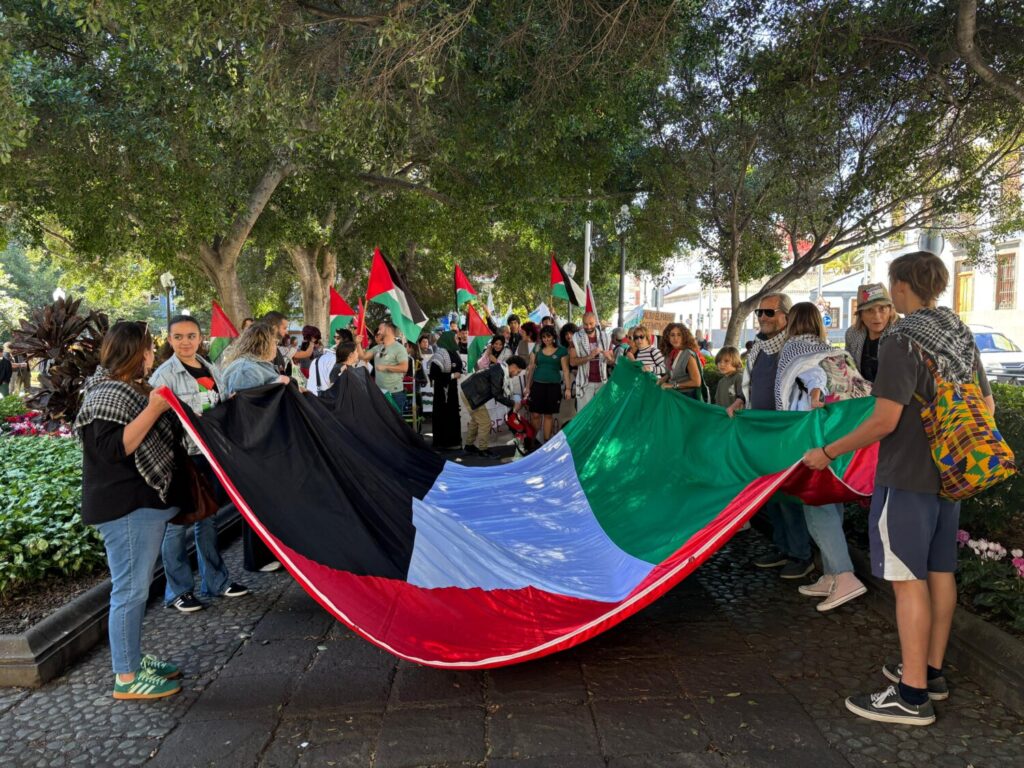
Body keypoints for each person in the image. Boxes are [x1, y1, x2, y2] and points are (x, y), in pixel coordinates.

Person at [803, 251, 995, 725]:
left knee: (907, 582)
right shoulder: (958, 335)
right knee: (939, 572)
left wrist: (827, 453)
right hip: (948, 477)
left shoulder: (902, 340)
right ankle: (930, 673)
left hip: (906, 476)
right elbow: (987, 407)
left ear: (902, 287)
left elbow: (883, 420)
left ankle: (911, 697)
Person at [74, 321, 190, 699]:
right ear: (137, 353)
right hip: (126, 509)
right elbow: (113, 450)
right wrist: (155, 408)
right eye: (150, 349)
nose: (153, 356)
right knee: (130, 591)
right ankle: (126, 677)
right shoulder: (106, 395)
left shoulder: (126, 389)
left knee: (136, 590)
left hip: (140, 507)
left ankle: (133, 660)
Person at [149, 316, 248, 613]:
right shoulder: (163, 376)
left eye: (191, 336)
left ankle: (216, 582)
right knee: (177, 526)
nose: (185, 342)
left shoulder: (209, 367)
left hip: (209, 455)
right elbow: (155, 420)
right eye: (178, 337)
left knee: (208, 519)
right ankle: (178, 591)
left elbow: (217, 404)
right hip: (180, 458)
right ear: (169, 340)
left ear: (200, 337)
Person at [775, 303, 867, 612]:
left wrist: (815, 392)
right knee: (830, 501)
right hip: (836, 433)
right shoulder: (830, 348)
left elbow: (811, 376)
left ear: (792, 322)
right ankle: (830, 573)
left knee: (816, 503)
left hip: (809, 435)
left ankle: (843, 575)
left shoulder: (794, 347)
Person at [726, 293, 813, 579]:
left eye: (769, 312)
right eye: (759, 313)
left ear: (785, 317)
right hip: (759, 434)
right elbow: (751, 386)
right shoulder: (757, 349)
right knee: (770, 496)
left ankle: (801, 555)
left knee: (788, 498)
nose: (762, 317)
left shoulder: (795, 347)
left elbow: (813, 382)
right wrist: (739, 399)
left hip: (786, 434)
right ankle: (783, 547)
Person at [460, 355, 528, 458]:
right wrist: (513, 403)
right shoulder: (499, 372)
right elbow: (497, 394)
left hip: (471, 392)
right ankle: (483, 450)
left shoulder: (500, 369)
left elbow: (498, 393)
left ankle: (469, 446)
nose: (515, 375)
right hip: (471, 394)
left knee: (476, 421)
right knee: (485, 423)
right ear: (513, 366)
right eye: (517, 372)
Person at [524, 325, 572, 443]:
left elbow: (565, 370)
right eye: (544, 337)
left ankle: (546, 442)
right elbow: (531, 367)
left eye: (549, 336)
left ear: (554, 336)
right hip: (537, 385)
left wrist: (568, 388)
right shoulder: (537, 348)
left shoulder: (562, 350)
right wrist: (527, 386)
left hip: (553, 386)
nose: (546, 339)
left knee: (548, 415)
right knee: (535, 414)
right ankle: (532, 441)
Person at [221, 323, 291, 397]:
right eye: (275, 342)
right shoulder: (247, 370)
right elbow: (244, 403)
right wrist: (277, 384)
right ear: (263, 345)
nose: (276, 346)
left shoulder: (254, 365)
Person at [846, 283, 897, 382]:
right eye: (869, 310)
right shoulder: (852, 334)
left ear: (890, 310)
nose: (877, 316)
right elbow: (849, 369)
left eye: (882, 309)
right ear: (861, 314)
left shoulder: (900, 335)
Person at [569, 312, 615, 410]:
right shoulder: (576, 338)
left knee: (600, 416)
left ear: (596, 322)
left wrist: (609, 358)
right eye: (585, 324)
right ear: (582, 323)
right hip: (585, 383)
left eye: (591, 323)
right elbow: (572, 362)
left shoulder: (606, 337)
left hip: (602, 382)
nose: (588, 327)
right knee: (584, 416)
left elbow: (612, 361)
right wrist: (589, 357)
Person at [427, 331, 464, 451]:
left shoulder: (455, 352)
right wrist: (452, 376)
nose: (457, 340)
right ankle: (442, 442)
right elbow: (434, 375)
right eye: (455, 338)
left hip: (453, 389)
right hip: (442, 391)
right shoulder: (440, 354)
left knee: (453, 414)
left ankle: (453, 441)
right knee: (443, 414)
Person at [659, 323, 703, 396]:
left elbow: (696, 382)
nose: (675, 338)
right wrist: (664, 378)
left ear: (684, 337)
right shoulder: (669, 354)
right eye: (672, 335)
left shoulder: (688, 354)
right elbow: (672, 372)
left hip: (686, 397)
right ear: (667, 337)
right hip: (674, 395)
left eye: (679, 335)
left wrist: (673, 385)